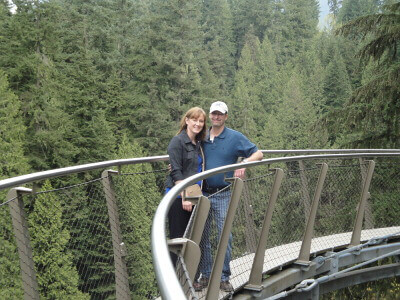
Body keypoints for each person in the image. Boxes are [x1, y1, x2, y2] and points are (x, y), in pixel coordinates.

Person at [194, 101, 263, 292]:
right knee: (203, 236)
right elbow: (188, 153)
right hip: (202, 193)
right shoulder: (202, 136)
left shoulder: (234, 137)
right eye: (213, 114)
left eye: (220, 114)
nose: (216, 117)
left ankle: (224, 277)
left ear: (225, 117)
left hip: (223, 194)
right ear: (210, 115)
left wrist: (244, 163)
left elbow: (259, 153)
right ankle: (206, 275)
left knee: (225, 235)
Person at [165, 107, 207, 267]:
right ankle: (175, 280)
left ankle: (191, 278)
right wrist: (184, 196)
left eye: (201, 121)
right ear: (187, 120)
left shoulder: (199, 143)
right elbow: (176, 172)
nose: (197, 124)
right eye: (194, 120)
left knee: (192, 239)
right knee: (178, 239)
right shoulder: (177, 141)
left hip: (194, 196)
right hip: (179, 198)